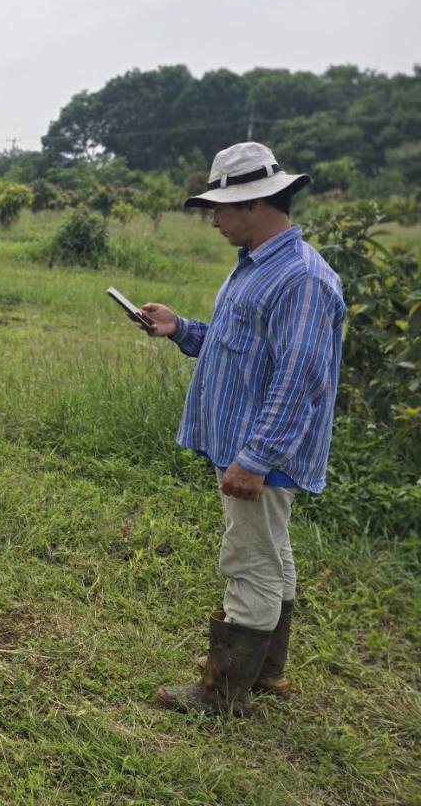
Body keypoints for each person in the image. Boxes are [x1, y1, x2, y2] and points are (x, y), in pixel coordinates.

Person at [137, 142, 345, 715]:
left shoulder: (300, 279)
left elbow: (299, 378)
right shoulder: (258, 266)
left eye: (220, 207)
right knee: (269, 550)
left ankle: (222, 691)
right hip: (251, 444)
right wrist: (181, 328)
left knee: (248, 559)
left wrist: (255, 459)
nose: (214, 219)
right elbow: (240, 347)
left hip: (262, 450)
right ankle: (263, 669)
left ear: (255, 203)